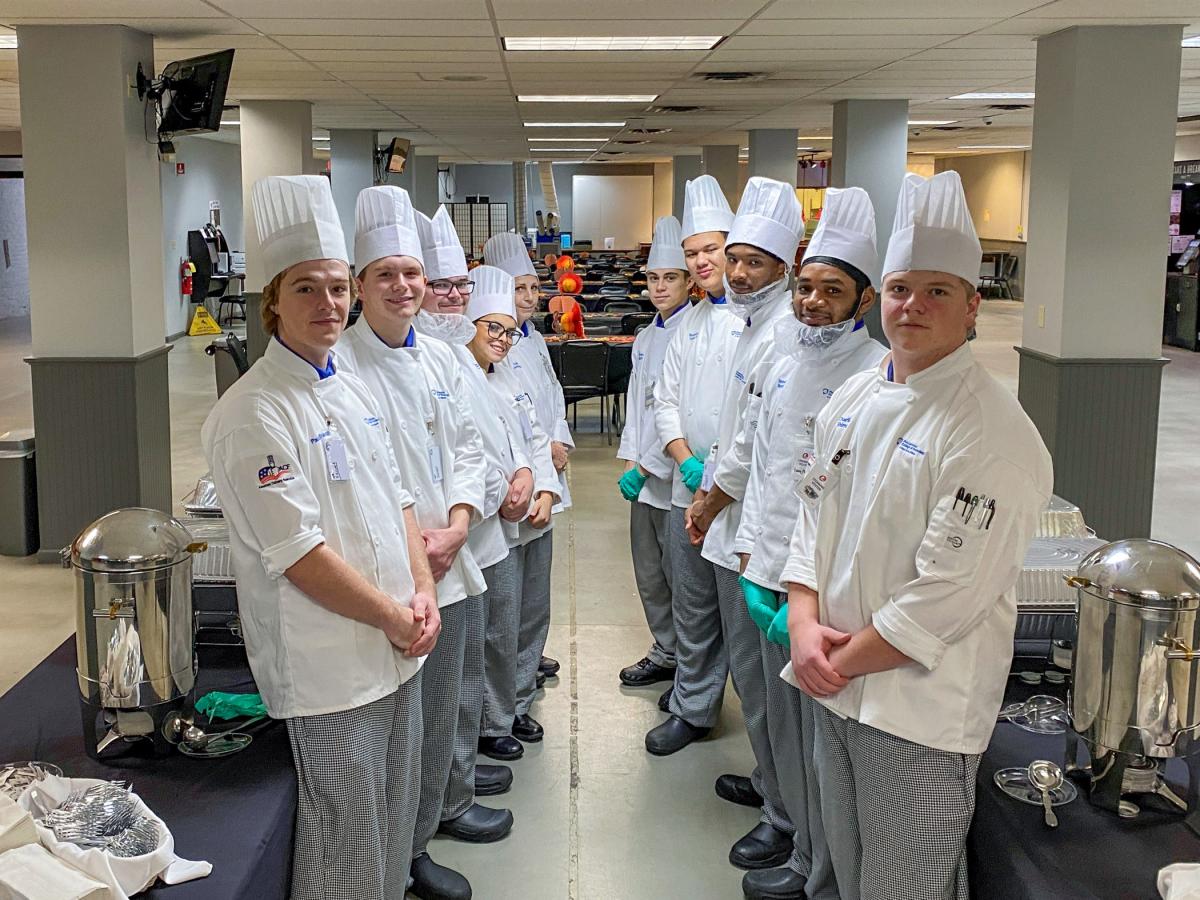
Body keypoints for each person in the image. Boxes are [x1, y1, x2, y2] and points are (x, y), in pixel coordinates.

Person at [781, 171, 1053, 900]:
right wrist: (803, 623)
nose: (914, 306)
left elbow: (948, 594)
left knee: (904, 886)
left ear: (973, 307)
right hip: (833, 686)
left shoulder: (991, 433)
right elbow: (813, 513)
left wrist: (833, 658)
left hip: (918, 714)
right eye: (902, 287)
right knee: (843, 867)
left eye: (938, 291)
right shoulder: (859, 394)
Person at [201, 175, 440, 900]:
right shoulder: (252, 415)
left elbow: (398, 496)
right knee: (346, 848)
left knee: (393, 827)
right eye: (307, 289)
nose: (329, 304)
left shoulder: (350, 382)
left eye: (338, 287)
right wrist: (397, 616)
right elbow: (301, 556)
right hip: (329, 673)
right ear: (273, 300)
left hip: (400, 646)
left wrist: (424, 592)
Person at [335, 187, 504, 900]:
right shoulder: (339, 366)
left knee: (444, 713)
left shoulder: (440, 360)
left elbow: (469, 449)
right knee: (399, 730)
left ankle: (421, 839)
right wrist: (415, 555)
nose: (404, 287)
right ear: (361, 287)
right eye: (386, 276)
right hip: (388, 581)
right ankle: (394, 860)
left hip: (452, 562)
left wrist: (460, 524)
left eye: (413, 274)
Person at [733, 188, 888, 900]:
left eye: (832, 291)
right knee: (785, 734)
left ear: (864, 301)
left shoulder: (873, 376)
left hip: (817, 596)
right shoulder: (786, 356)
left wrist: (800, 592)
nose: (813, 303)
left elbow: (845, 504)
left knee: (821, 743)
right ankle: (795, 842)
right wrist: (747, 557)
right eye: (806, 288)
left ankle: (816, 871)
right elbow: (764, 462)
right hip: (766, 570)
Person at [683, 176, 805, 872]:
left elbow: (762, 451)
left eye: (753, 262)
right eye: (733, 258)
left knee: (768, 692)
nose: (735, 272)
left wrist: (707, 503)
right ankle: (770, 788)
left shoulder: (788, 335)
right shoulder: (754, 328)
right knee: (754, 688)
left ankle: (785, 819)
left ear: (783, 268)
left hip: (760, 541)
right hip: (734, 534)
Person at [411, 206, 523, 808]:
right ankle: (447, 797)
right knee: (442, 686)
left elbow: (477, 444)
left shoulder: (455, 352)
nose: (453, 296)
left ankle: (456, 782)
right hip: (437, 549)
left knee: (463, 678)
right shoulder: (415, 356)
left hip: (470, 538)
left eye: (460, 285)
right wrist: (460, 522)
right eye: (440, 285)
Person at [646, 174, 744, 757]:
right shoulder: (691, 323)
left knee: (737, 614)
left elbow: (755, 421)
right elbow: (665, 399)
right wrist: (685, 460)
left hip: (733, 498)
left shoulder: (762, 323)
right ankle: (694, 705)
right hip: (692, 492)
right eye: (693, 254)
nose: (702, 262)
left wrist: (717, 481)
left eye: (711, 250)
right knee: (692, 604)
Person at [464, 263, 562, 760]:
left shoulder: (505, 376)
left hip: (531, 513)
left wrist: (542, 487)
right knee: (498, 627)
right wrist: (506, 492)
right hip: (491, 524)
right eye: (492, 329)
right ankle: (494, 717)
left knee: (529, 615)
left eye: (507, 330)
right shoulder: (461, 378)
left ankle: (516, 703)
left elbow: (535, 435)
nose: (502, 339)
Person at [484, 232, 570, 739]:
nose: (528, 297)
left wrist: (557, 447)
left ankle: (524, 671)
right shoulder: (483, 355)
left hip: (543, 487)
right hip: (510, 504)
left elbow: (548, 401)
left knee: (534, 600)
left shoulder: (531, 338)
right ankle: (508, 701)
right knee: (506, 608)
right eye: (518, 289)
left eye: (533, 287)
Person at [615, 215, 692, 690]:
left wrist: (647, 466)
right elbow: (637, 408)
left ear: (689, 282)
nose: (659, 287)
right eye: (653, 278)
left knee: (682, 580)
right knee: (649, 574)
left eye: (670, 278)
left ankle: (690, 663)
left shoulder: (694, 333)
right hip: (641, 478)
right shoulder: (645, 337)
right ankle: (665, 649)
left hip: (675, 479)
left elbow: (679, 411)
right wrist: (629, 462)